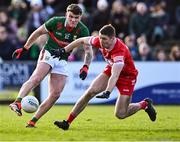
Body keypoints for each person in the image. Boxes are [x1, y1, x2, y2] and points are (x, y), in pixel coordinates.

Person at [53, 24, 157, 130]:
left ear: (112, 39)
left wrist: (108, 92)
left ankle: (144, 104)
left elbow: (115, 76)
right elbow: (81, 40)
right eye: (100, 38)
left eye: (104, 39)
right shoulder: (99, 41)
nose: (101, 41)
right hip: (111, 68)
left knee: (120, 114)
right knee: (90, 92)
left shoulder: (119, 52)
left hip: (127, 77)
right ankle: (67, 122)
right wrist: (64, 51)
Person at [9, 4, 93, 128]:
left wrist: (86, 66)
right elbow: (38, 32)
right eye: (71, 17)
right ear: (66, 15)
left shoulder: (83, 30)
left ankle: (32, 121)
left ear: (80, 17)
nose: (73, 20)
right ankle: (17, 102)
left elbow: (88, 50)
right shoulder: (55, 22)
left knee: (56, 94)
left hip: (63, 59)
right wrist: (25, 47)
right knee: (37, 78)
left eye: (76, 17)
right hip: (49, 53)